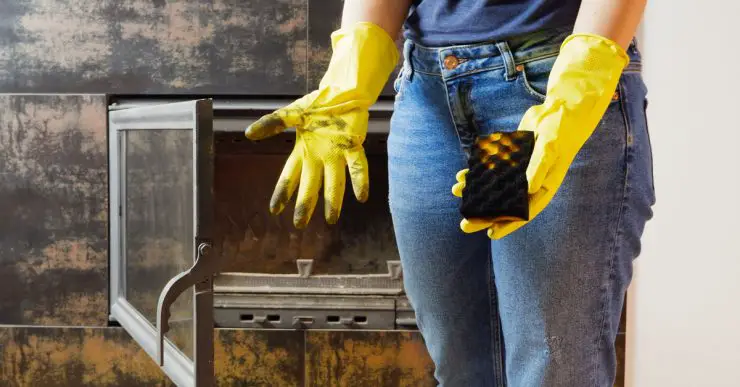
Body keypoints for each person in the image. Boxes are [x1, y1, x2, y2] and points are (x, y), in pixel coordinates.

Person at [245, 0, 654, 385]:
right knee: (461, 369)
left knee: (551, 371)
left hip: (546, 83)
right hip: (429, 95)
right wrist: (347, 80)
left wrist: (575, 93)